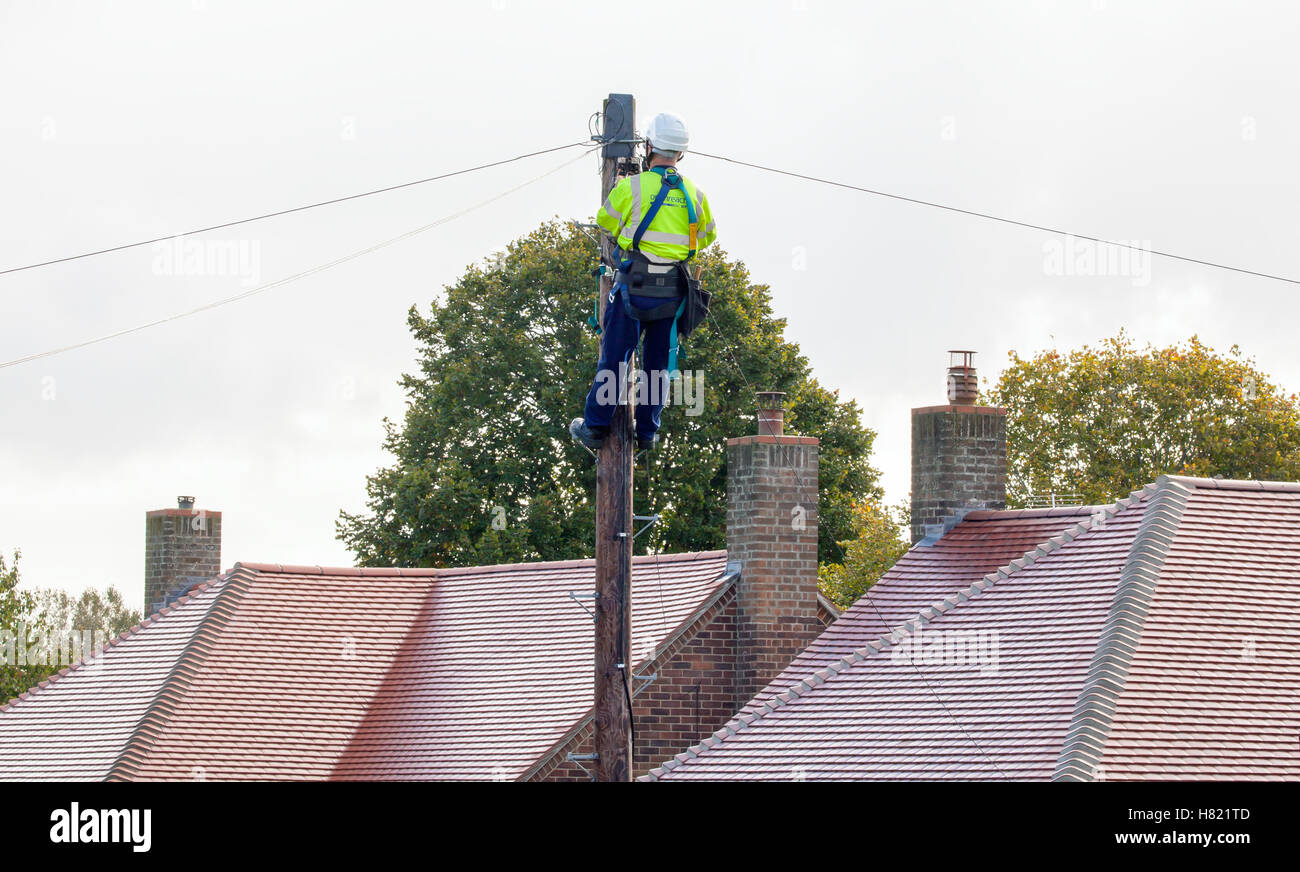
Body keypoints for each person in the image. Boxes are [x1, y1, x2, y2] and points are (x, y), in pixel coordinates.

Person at [569, 112, 717, 452]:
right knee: (657, 366)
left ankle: (594, 427)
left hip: (634, 284)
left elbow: (606, 220)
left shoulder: (632, 187)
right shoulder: (696, 195)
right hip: (672, 290)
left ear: (649, 146)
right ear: (680, 153)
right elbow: (706, 237)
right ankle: (647, 431)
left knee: (616, 358)